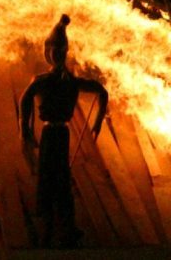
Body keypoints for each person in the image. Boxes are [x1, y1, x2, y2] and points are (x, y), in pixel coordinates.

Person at [20, 18, 109, 250]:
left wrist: (98, 121)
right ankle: (52, 232)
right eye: (54, 50)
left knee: (57, 180)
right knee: (51, 180)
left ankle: (61, 232)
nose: (57, 54)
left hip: (59, 134)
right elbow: (26, 99)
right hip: (51, 134)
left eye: (61, 50)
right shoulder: (46, 80)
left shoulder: (69, 82)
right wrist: (24, 129)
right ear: (49, 53)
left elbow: (101, 92)